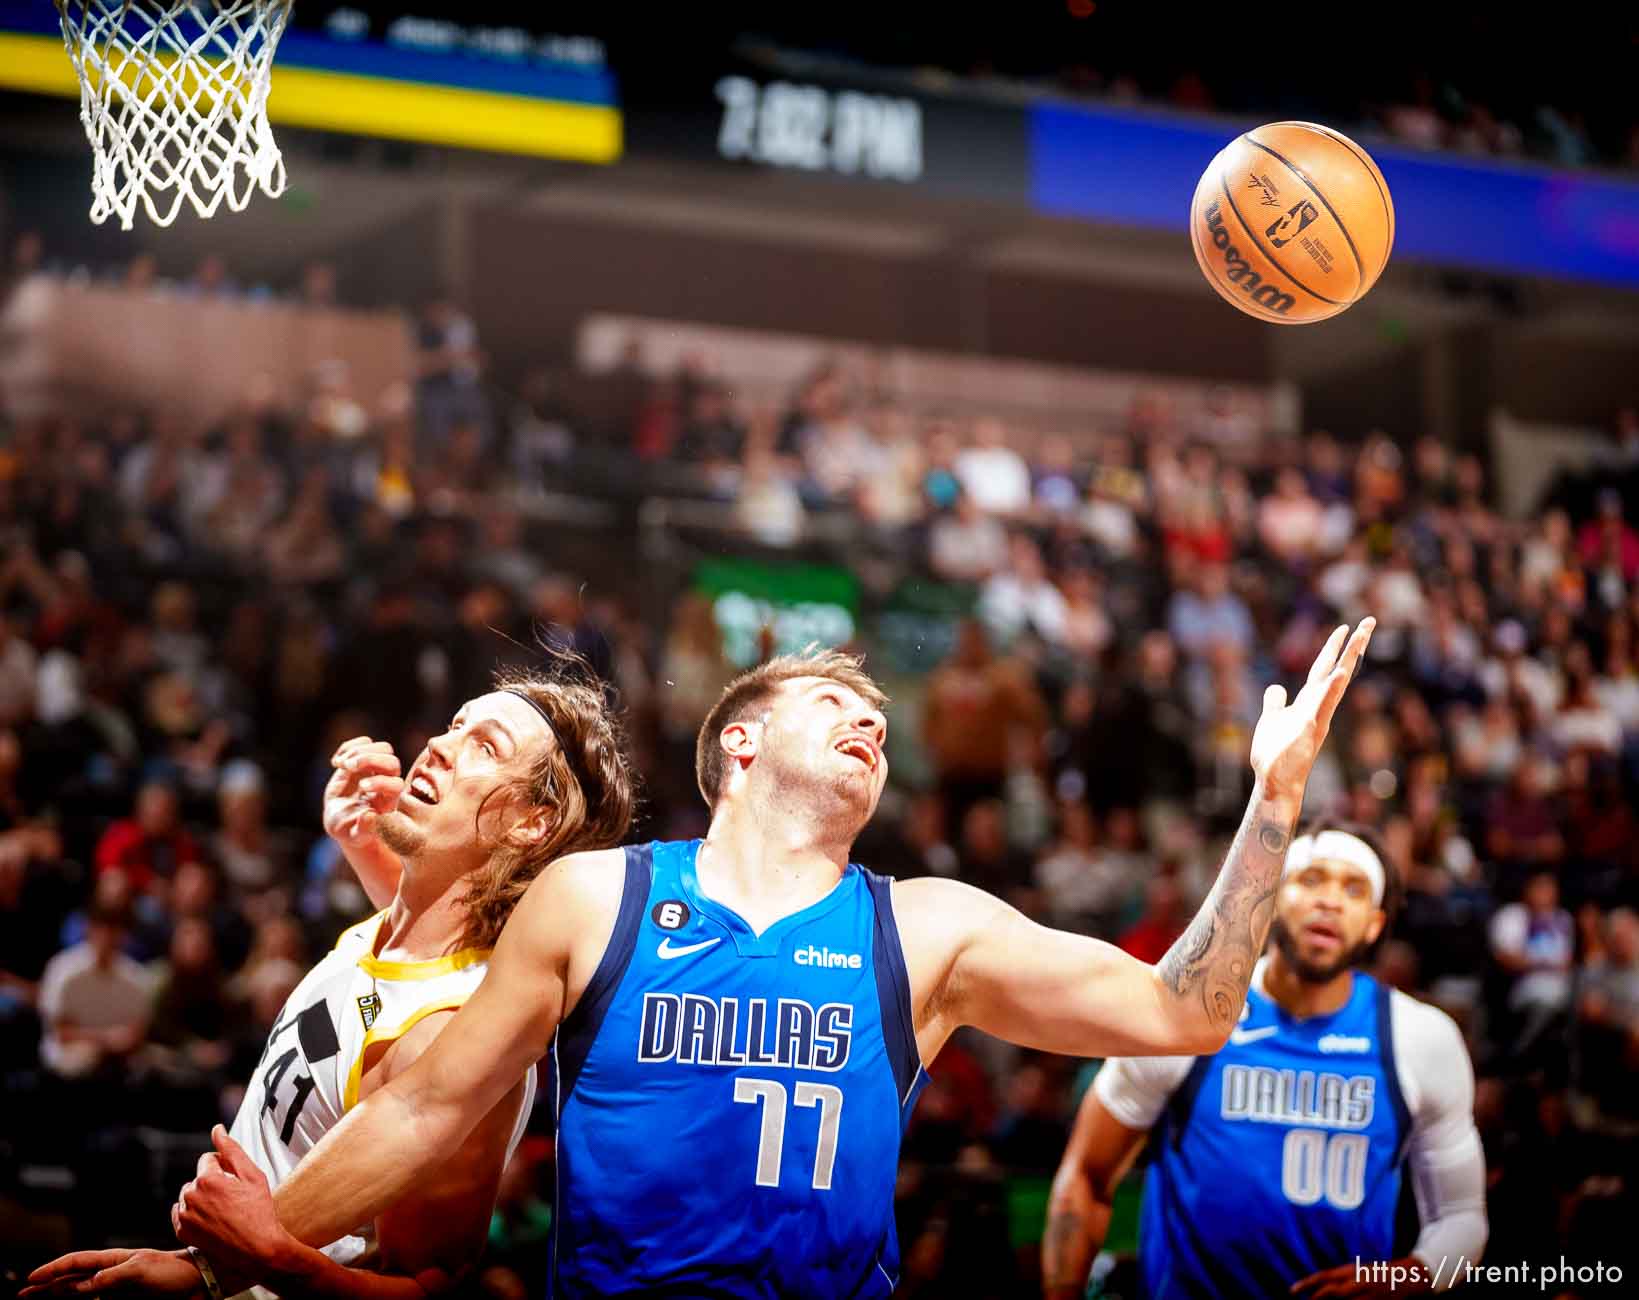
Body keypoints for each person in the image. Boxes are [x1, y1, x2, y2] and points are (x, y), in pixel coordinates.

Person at [171, 623, 1374, 1299]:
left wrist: (1270, 803)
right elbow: (425, 1105)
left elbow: (1190, 1012)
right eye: (835, 705)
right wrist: (211, 1265)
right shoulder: (598, 896)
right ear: (739, 744)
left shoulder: (926, 926)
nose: (871, 725)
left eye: (881, 727)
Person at [25, 669, 633, 1299]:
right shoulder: (399, 934)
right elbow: (412, 950)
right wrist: (360, 839)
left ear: (531, 823)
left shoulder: (450, 1032)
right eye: (455, 725)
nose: (440, 746)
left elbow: (427, 1288)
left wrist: (232, 1268)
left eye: (485, 746)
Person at [1041, 823, 1487, 1299]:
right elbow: (1086, 1177)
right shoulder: (1191, 1014)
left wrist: (1407, 1275)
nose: (1330, 901)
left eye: (1353, 889)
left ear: (1375, 924)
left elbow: (1462, 1219)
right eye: (1311, 879)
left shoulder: (1419, 1038)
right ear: (1271, 898)